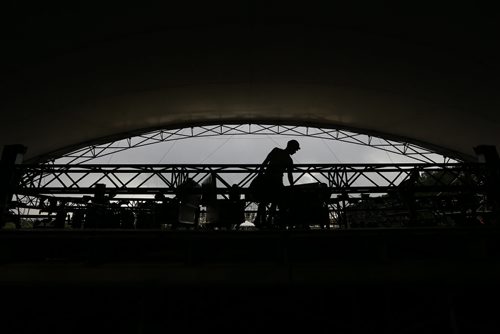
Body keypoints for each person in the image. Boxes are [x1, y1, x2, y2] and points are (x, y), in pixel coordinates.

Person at [253, 139, 300, 227]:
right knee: (275, 201)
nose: (295, 151)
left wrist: (260, 176)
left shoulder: (276, 151)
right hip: (277, 182)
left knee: (263, 201)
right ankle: (269, 220)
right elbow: (290, 175)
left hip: (267, 179)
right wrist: (292, 186)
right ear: (291, 147)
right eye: (295, 149)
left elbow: (264, 163)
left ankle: (260, 220)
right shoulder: (289, 160)